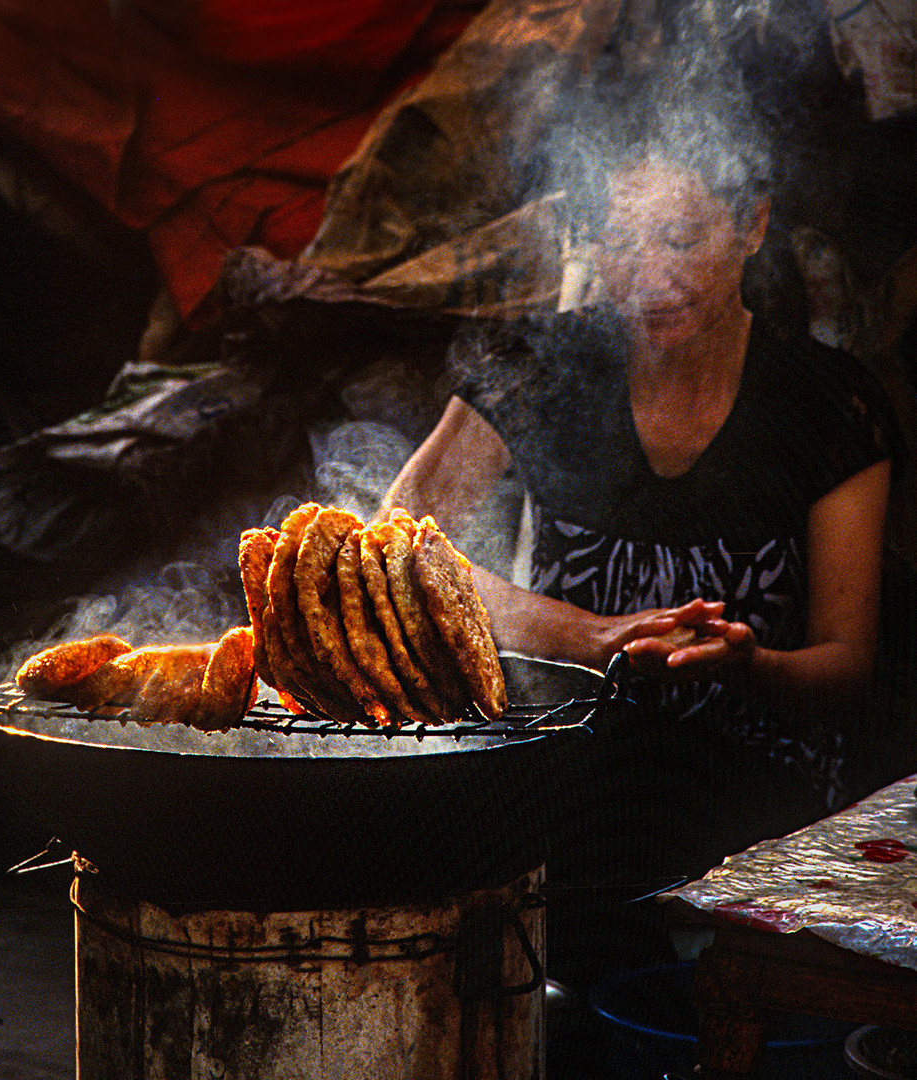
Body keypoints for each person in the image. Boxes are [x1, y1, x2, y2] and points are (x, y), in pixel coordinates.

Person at [378, 91, 897, 1072]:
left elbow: (843, 664)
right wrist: (587, 637)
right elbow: (398, 543)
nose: (647, 277)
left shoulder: (829, 409)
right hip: (564, 784)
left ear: (750, 226)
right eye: (617, 242)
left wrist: (744, 663)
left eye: (678, 237)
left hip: (752, 802)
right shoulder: (541, 362)